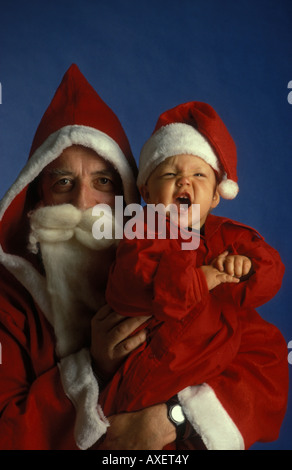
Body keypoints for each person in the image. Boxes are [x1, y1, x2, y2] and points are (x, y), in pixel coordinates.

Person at [0, 65, 288, 451]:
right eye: (63, 182)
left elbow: (265, 367)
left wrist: (175, 419)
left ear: (127, 194)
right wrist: (94, 371)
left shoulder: (192, 254)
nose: (85, 204)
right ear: (36, 197)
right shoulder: (9, 300)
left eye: (102, 181)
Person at [102, 101, 289, 449]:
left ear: (217, 195)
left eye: (199, 175)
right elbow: (129, 285)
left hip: (210, 371)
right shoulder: (143, 233)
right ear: (146, 193)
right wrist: (197, 280)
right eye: (169, 175)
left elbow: (269, 270)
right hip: (155, 370)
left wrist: (248, 269)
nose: (184, 180)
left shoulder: (230, 237)